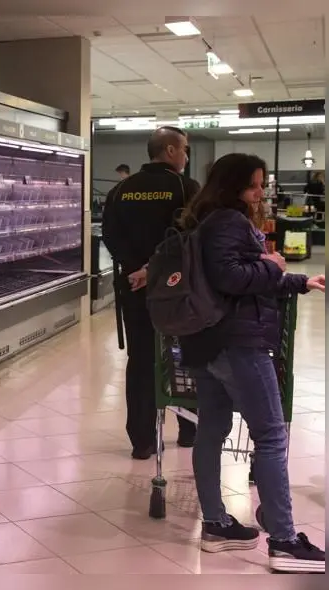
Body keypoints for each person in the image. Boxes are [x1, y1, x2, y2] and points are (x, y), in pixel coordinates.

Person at [178, 153, 325, 574]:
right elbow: (232, 278)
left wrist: (298, 281)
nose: (260, 193)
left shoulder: (205, 220)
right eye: (254, 185)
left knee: (211, 430)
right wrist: (273, 265)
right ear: (232, 185)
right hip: (238, 343)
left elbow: (238, 276)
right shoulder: (228, 220)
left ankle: (216, 524)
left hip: (207, 342)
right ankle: (283, 539)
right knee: (272, 436)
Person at [101, 126, 199, 459]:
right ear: (170, 150)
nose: (186, 155)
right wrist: (159, 269)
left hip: (133, 287)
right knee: (185, 355)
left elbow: (110, 236)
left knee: (141, 358)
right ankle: (189, 430)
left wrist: (136, 269)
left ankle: (141, 440)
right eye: (184, 148)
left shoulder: (121, 190)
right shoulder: (187, 189)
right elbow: (192, 239)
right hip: (178, 291)